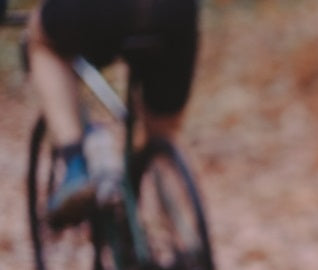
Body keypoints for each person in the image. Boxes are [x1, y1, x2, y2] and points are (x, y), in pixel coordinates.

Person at [26, 0, 198, 228]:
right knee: (162, 137)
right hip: (176, 12)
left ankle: (76, 162)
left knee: (41, 40)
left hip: (98, 10)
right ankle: (186, 241)